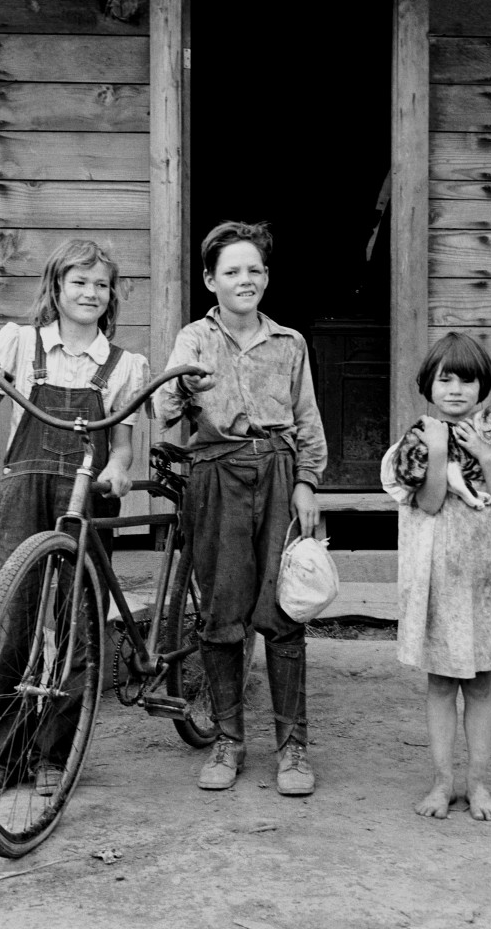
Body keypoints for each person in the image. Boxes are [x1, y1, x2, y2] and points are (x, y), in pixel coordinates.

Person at [0, 238, 149, 796]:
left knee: (78, 624)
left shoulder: (124, 364)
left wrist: (118, 469)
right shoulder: (19, 344)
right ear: (56, 287)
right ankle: (3, 751)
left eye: (101, 284)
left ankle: (55, 755)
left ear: (111, 294)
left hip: (85, 498)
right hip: (25, 490)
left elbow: (121, 445)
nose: (90, 293)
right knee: (15, 618)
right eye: (79, 282)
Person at [157, 220, 328, 796]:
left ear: (267, 277)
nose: (245, 279)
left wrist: (306, 482)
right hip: (216, 476)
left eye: (254, 269)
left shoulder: (290, 343)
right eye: (231, 270)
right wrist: (183, 387)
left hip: (279, 474)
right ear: (211, 280)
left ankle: (293, 747)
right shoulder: (193, 339)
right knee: (223, 613)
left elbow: (307, 420)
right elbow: (164, 408)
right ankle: (228, 739)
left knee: (284, 610)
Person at [380, 333, 491, 821]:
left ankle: (478, 783)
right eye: (444, 379)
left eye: (466, 380)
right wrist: (435, 451)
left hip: (485, 577)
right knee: (440, 683)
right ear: (427, 385)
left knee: (482, 684)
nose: (455, 390)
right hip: (438, 577)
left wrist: (487, 456)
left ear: (483, 387)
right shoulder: (415, 438)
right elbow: (429, 502)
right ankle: (442, 781)